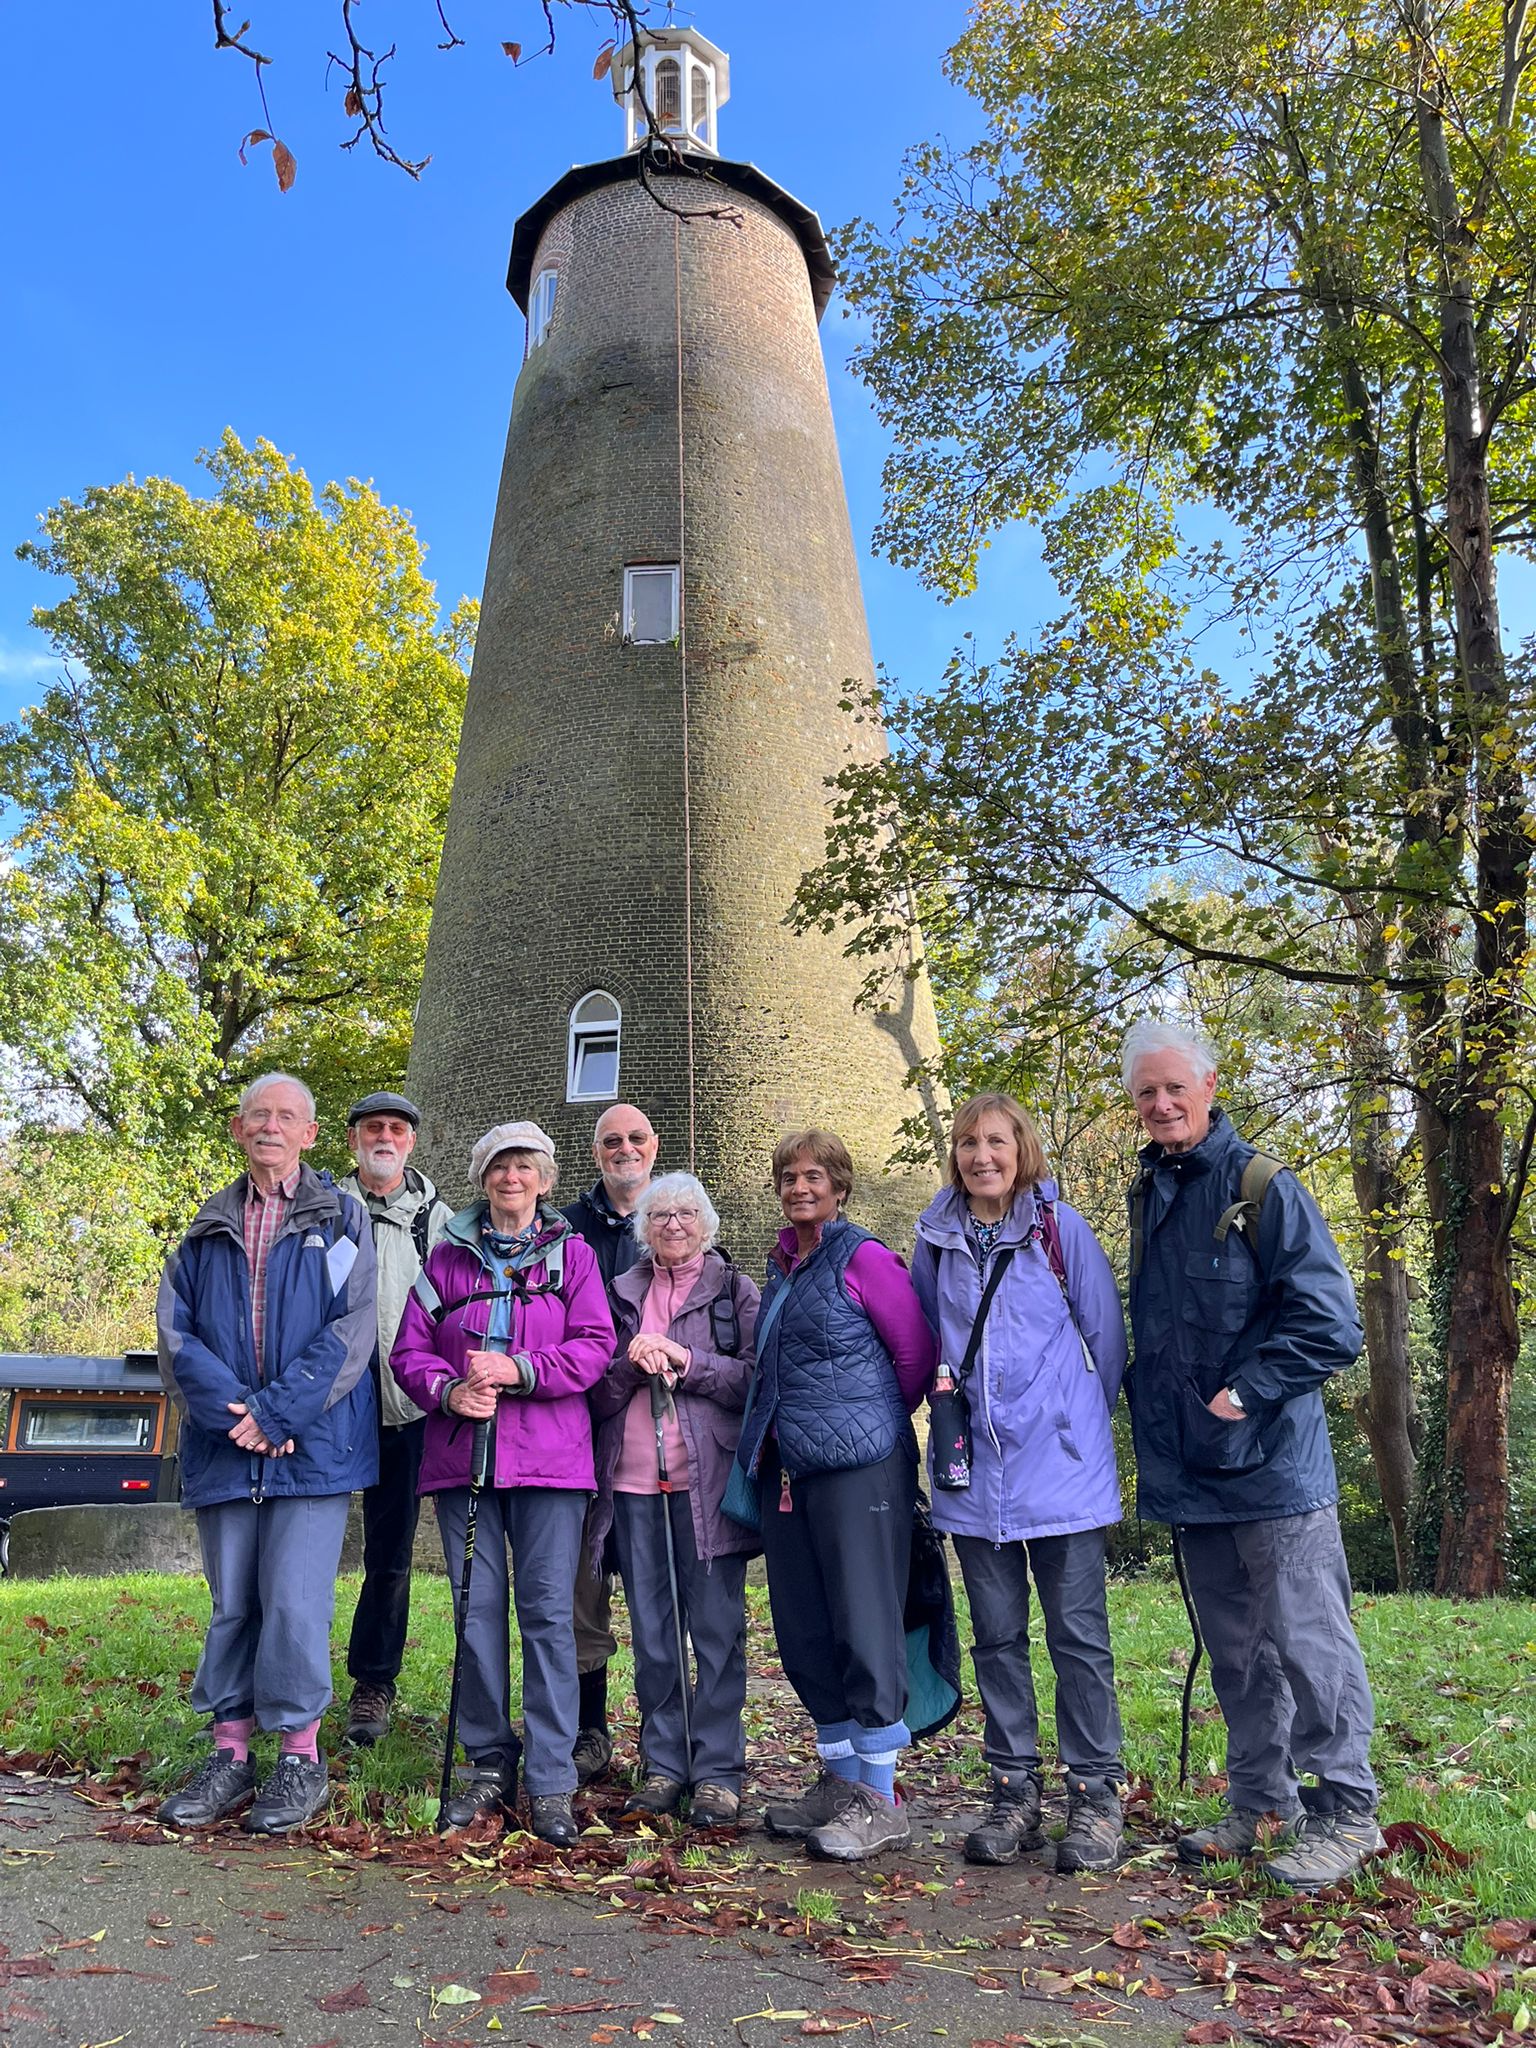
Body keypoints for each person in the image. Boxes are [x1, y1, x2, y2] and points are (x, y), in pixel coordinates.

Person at [1121, 1019, 1382, 1890]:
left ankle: (1349, 1815)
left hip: (1275, 1469)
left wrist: (1246, 1392)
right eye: (1146, 1093)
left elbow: (1331, 1324)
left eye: (1174, 1088)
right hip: (1195, 1474)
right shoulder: (1152, 1191)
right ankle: (1263, 1802)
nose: (1161, 1104)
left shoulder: (1263, 1185)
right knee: (1235, 1650)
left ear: (1209, 1084)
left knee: (1309, 1641)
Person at [155, 1073, 378, 1834]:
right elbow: (176, 1338)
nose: (271, 1127)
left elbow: (352, 1331)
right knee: (234, 1606)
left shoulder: (345, 1220)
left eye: (287, 1117)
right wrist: (239, 1418)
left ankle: (299, 1761)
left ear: (310, 1134)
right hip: (227, 1451)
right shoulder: (203, 1227)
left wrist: (278, 1412)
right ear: (238, 1128)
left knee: (293, 1604)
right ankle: (229, 1753)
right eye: (259, 1116)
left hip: (310, 1449)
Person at [913, 1094, 1129, 1872]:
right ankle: (1014, 1793)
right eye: (968, 1142)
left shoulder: (1059, 1231)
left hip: (1059, 1470)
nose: (982, 1156)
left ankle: (1098, 1798)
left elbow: (1105, 1340)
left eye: (996, 1141)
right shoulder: (933, 1240)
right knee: (997, 1640)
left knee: (1078, 1639)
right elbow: (923, 1339)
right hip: (973, 1474)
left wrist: (1069, 1425)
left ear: (1021, 1148)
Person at [390, 1121, 614, 1846]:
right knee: (475, 1614)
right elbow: (408, 1349)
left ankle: (551, 1779)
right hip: (465, 1464)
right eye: (498, 1167)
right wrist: (450, 1392)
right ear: (483, 1178)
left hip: (551, 1464)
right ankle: (489, 1762)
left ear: (545, 1180)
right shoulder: (447, 1260)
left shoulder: (574, 1258)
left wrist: (521, 1371)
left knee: (548, 1614)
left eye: (524, 1167)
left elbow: (595, 1348)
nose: (510, 1178)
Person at [726, 1130, 937, 1861]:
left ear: (840, 1187)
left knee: (864, 1619)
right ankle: (840, 1779)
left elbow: (913, 1355)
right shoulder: (785, 1268)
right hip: (787, 1469)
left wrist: (869, 1428)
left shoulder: (864, 1257)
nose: (799, 1186)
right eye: (788, 1176)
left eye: (814, 1175)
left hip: (859, 1469)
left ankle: (881, 1795)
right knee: (806, 1625)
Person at [590, 1172, 760, 1826]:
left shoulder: (734, 1292)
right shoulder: (618, 1293)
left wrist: (687, 1362)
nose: (673, 1223)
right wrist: (631, 1365)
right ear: (644, 1227)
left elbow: (753, 1382)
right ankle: (663, 1764)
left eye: (687, 1213)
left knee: (716, 1632)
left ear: (707, 1224)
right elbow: (596, 1392)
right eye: (660, 1214)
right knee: (655, 1636)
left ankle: (718, 1769)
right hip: (633, 1486)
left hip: (706, 1486)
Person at [339, 1090, 453, 1748]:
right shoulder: (322, 1208)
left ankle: (373, 1682)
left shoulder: (438, 1222)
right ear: (353, 1139)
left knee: (390, 1557)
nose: (385, 1137)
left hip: (406, 1412)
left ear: (411, 1141)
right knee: (301, 1548)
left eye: (397, 1129)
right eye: (373, 1127)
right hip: (332, 1410)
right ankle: (274, 1681)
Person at [560, 1105, 661, 1783]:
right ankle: (589, 1732)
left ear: (654, 1149)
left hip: (659, 1441)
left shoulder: (682, 1221)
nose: (624, 1150)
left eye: (635, 1139)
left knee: (661, 1592)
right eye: (611, 1142)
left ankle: (665, 1736)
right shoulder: (565, 1228)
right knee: (581, 1591)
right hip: (579, 1438)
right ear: (597, 1154)